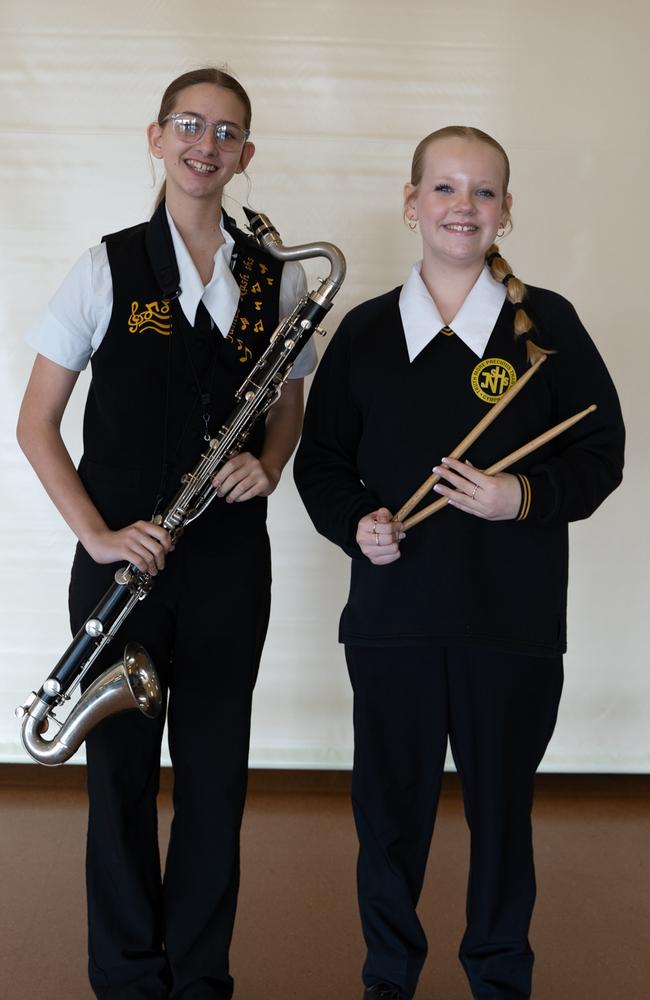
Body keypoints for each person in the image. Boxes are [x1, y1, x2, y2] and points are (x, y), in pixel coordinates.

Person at [293, 126, 624, 1000]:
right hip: (393, 624)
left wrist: (518, 498)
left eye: (482, 193)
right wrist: (357, 522)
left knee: (502, 823)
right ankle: (389, 978)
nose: (462, 207)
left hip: (510, 628)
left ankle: (499, 979)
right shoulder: (364, 333)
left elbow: (600, 453)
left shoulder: (546, 324)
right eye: (444, 189)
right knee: (390, 823)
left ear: (506, 212)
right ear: (411, 204)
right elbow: (320, 462)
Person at [17, 67, 316, 1000]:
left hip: (230, 565)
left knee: (217, 782)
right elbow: (35, 423)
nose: (206, 144)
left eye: (227, 132)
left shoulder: (283, 275)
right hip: (122, 576)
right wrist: (101, 536)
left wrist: (270, 462)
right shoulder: (105, 265)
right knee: (118, 786)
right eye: (189, 124)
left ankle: (200, 976)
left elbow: (290, 400)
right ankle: (128, 977)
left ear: (246, 156)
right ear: (156, 137)